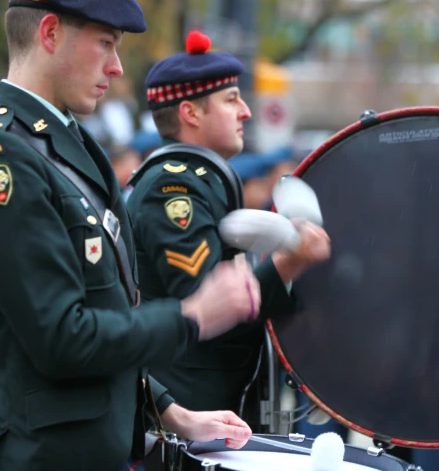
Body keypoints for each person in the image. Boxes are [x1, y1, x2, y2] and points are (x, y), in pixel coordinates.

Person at [0, 0, 262, 470]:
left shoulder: (65, 144)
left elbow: (109, 310)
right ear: (50, 33)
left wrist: (169, 410)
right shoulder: (1, 157)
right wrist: (192, 315)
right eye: (106, 44)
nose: (116, 66)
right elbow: (62, 340)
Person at [125, 31, 331, 421]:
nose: (246, 112)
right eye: (231, 100)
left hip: (212, 404)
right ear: (191, 113)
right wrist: (290, 260)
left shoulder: (202, 179)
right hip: (186, 411)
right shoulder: (175, 186)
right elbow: (207, 301)